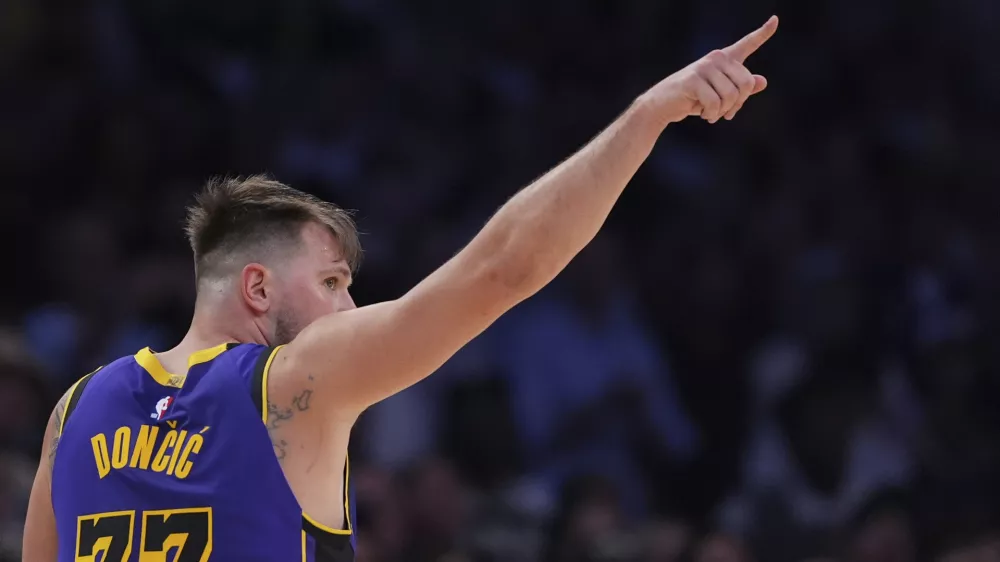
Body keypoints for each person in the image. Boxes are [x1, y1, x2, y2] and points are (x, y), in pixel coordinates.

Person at [22, 16, 779, 562]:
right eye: (331, 283)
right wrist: (649, 116)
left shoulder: (74, 411)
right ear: (257, 287)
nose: (350, 309)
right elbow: (503, 268)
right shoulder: (294, 384)